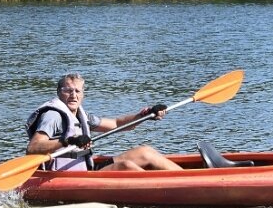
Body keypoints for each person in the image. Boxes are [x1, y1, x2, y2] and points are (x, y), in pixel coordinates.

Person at [25, 73, 183, 172]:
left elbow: (116, 124)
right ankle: (165, 189)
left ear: (83, 95)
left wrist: (145, 114)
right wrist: (68, 142)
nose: (73, 95)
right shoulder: (53, 116)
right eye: (68, 90)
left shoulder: (82, 116)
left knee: (145, 152)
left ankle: (187, 178)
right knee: (125, 166)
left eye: (77, 91)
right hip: (63, 176)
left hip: (86, 170)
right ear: (59, 93)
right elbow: (33, 148)